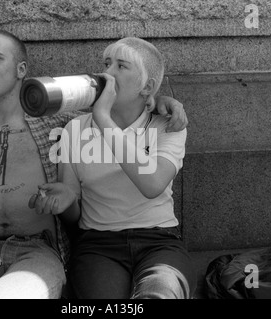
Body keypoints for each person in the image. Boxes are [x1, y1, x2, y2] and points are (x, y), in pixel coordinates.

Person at [0, 29, 188, 299]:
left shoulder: (56, 124)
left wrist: (160, 101)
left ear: (21, 69)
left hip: (35, 253)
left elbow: (122, 112)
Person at [31, 37, 197, 299]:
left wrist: (104, 119)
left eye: (121, 66)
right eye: (106, 63)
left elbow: (152, 184)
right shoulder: (76, 129)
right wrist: (65, 203)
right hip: (98, 244)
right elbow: (75, 213)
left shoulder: (167, 126)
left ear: (147, 87)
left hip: (159, 242)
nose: (107, 73)